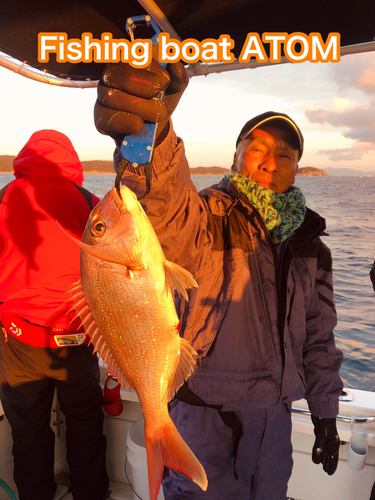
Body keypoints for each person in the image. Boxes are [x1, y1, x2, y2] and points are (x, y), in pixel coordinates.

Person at [94, 61, 343, 500]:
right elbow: (166, 207)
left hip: (274, 424)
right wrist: (152, 134)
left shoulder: (310, 245)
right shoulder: (207, 217)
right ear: (235, 157)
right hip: (202, 417)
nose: (271, 161)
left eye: (285, 155)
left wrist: (325, 412)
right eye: (258, 148)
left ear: (297, 170)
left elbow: (319, 339)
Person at [0, 130, 109, 500]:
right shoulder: (91, 204)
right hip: (76, 341)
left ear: (25, 159)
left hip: (18, 341)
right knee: (85, 426)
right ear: (71, 161)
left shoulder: (4, 198)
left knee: (28, 432)